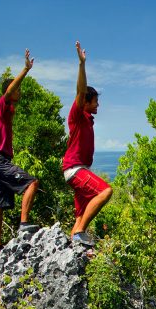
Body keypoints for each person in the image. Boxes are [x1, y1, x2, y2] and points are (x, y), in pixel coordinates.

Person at [0, 49, 40, 254]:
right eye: (17, 89)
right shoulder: (2, 105)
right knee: (32, 183)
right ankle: (24, 224)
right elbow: (9, 91)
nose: (19, 92)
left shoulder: (4, 114)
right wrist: (25, 69)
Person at [62, 41, 111, 248]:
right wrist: (82, 65)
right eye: (95, 101)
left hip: (80, 169)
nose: (97, 104)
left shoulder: (88, 120)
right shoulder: (78, 115)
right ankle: (81, 232)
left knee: (80, 216)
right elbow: (80, 90)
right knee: (105, 191)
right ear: (86, 102)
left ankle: (75, 246)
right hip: (74, 169)